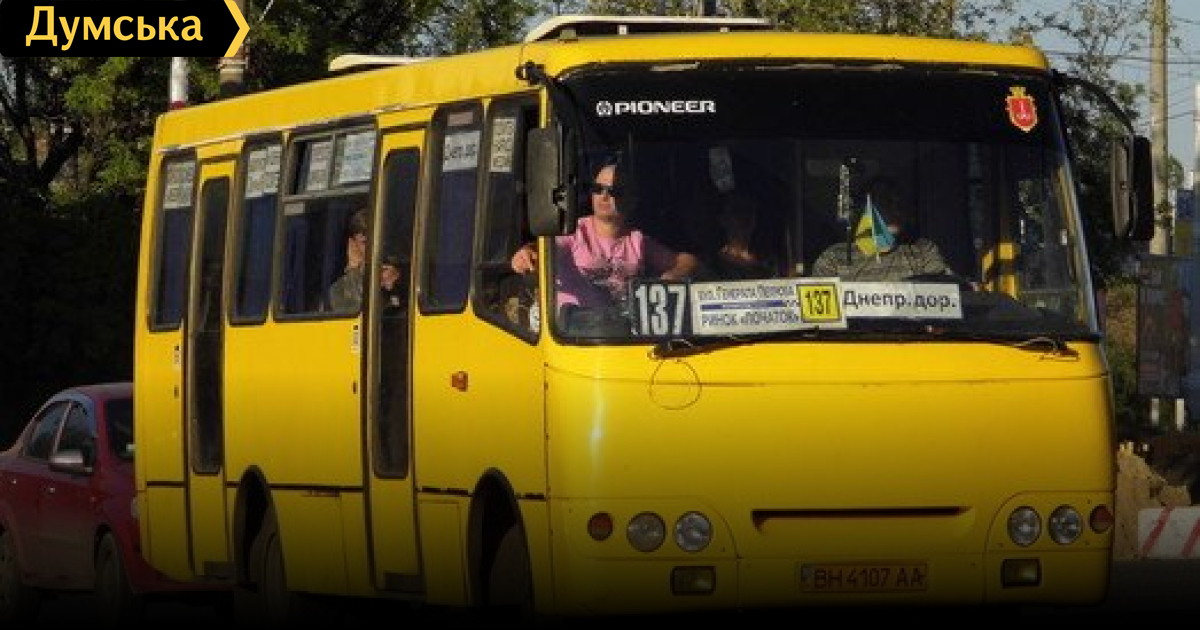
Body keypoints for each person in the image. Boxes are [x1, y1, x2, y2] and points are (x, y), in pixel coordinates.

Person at [510, 156, 699, 313]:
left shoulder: (637, 240)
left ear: (632, 201)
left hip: (621, 332)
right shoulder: (573, 232)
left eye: (614, 191)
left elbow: (687, 261)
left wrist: (674, 275)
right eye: (597, 189)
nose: (604, 196)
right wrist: (529, 252)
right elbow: (547, 248)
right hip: (573, 332)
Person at [811, 177, 950, 281]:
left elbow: (946, 292)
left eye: (899, 205)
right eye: (885, 203)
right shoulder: (834, 258)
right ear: (863, 211)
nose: (895, 211)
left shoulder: (923, 251)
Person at [713, 191, 775, 279]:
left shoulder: (769, 261)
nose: (744, 216)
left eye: (749, 210)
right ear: (723, 219)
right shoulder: (715, 263)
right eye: (736, 211)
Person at [329, 208, 370, 311]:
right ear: (353, 244)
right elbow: (354, 312)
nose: (372, 247)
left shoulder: (399, 274)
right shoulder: (339, 289)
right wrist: (353, 270)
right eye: (365, 242)